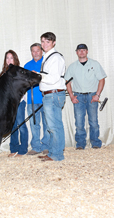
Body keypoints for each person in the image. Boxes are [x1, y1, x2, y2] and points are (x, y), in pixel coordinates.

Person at [64, 44, 106, 150]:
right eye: (79, 50)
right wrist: (72, 97)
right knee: (79, 122)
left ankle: (95, 142)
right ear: (76, 52)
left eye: (83, 50)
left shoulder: (95, 64)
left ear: (87, 51)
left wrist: (97, 95)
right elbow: (67, 82)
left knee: (93, 121)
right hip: (78, 97)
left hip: (92, 96)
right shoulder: (72, 66)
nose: (81, 52)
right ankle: (80, 144)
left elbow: (102, 79)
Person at [37, 32, 66, 162]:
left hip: (53, 94)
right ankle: (53, 152)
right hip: (49, 95)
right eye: (42, 41)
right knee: (51, 126)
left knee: (55, 126)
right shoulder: (47, 57)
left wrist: (38, 75)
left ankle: (57, 155)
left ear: (53, 42)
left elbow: (53, 78)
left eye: (47, 42)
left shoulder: (56, 57)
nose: (44, 44)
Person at [0, 50, 29, 157]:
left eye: (11, 58)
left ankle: (23, 150)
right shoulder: (3, 74)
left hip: (19, 103)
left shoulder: (20, 72)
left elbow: (23, 88)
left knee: (21, 125)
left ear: (15, 59)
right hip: (8, 105)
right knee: (12, 126)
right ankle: (13, 149)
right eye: (7, 58)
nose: (9, 60)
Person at [24, 43, 49, 155]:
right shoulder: (27, 65)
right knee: (34, 124)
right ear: (31, 52)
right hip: (32, 100)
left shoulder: (47, 63)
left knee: (47, 123)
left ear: (42, 51)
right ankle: (36, 146)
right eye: (33, 51)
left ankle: (46, 146)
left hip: (46, 98)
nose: (35, 53)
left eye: (37, 50)